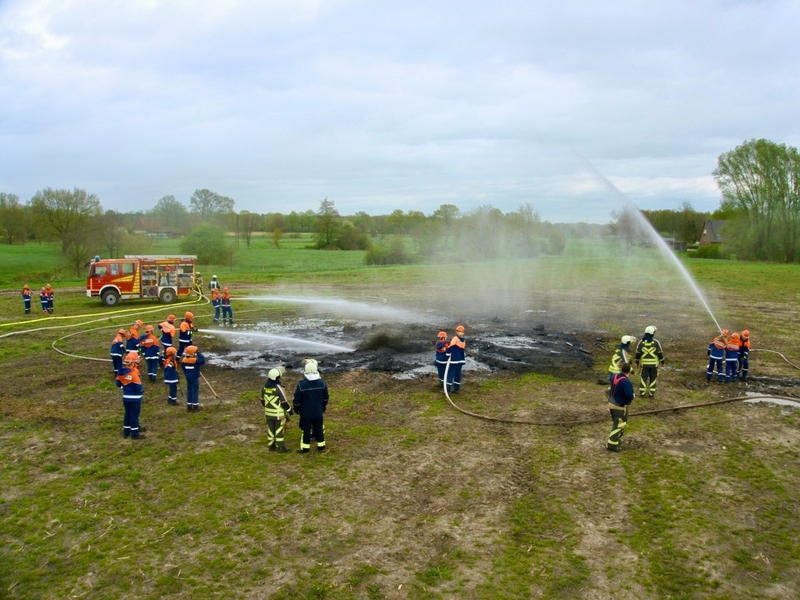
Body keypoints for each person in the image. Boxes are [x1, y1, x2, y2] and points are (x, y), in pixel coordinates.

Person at [293, 360, 329, 453]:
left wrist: (296, 409)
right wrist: (323, 406)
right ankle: (321, 446)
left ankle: (305, 448)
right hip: (318, 412)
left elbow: (297, 400)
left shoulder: (301, 385)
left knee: (306, 430)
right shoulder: (322, 383)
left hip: (305, 413)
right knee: (318, 428)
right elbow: (325, 398)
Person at [262, 367, 292, 453]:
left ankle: (271, 446)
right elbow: (284, 402)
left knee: (271, 429)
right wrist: (290, 410)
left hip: (268, 413)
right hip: (278, 414)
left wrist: (267, 408)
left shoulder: (264, 387)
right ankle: (281, 447)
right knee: (279, 430)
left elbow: (262, 400)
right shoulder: (278, 388)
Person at [116, 351, 145, 439]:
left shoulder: (121, 372)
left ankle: (126, 432)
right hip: (135, 398)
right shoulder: (133, 373)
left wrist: (125, 388)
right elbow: (138, 386)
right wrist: (141, 391)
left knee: (127, 414)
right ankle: (135, 434)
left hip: (126, 397)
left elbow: (118, 384)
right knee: (134, 415)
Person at [607, 363, 635, 452]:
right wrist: (632, 396)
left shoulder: (613, 376)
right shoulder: (626, 382)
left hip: (611, 404)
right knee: (619, 425)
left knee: (617, 423)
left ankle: (615, 441)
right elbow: (629, 394)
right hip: (619, 406)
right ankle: (612, 444)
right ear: (629, 371)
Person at [634, 325, 665, 399]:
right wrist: (662, 362)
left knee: (643, 379)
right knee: (653, 379)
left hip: (644, 365)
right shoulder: (656, 343)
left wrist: (637, 362)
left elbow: (637, 353)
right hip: (654, 365)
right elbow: (660, 353)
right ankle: (651, 395)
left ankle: (642, 394)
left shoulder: (641, 343)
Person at [180, 344, 205, 411]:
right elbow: (202, 361)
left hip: (188, 377)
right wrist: (198, 352)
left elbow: (183, 368)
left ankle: (189, 406)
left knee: (189, 391)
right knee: (195, 391)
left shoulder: (184, 360)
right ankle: (195, 406)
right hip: (194, 378)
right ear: (193, 353)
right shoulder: (195, 360)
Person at [446, 325, 466, 392]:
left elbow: (451, 347)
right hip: (460, 360)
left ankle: (448, 389)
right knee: (458, 374)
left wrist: (447, 354)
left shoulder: (455, 338)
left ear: (456, 331)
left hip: (454, 360)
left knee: (450, 374)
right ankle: (456, 388)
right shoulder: (463, 340)